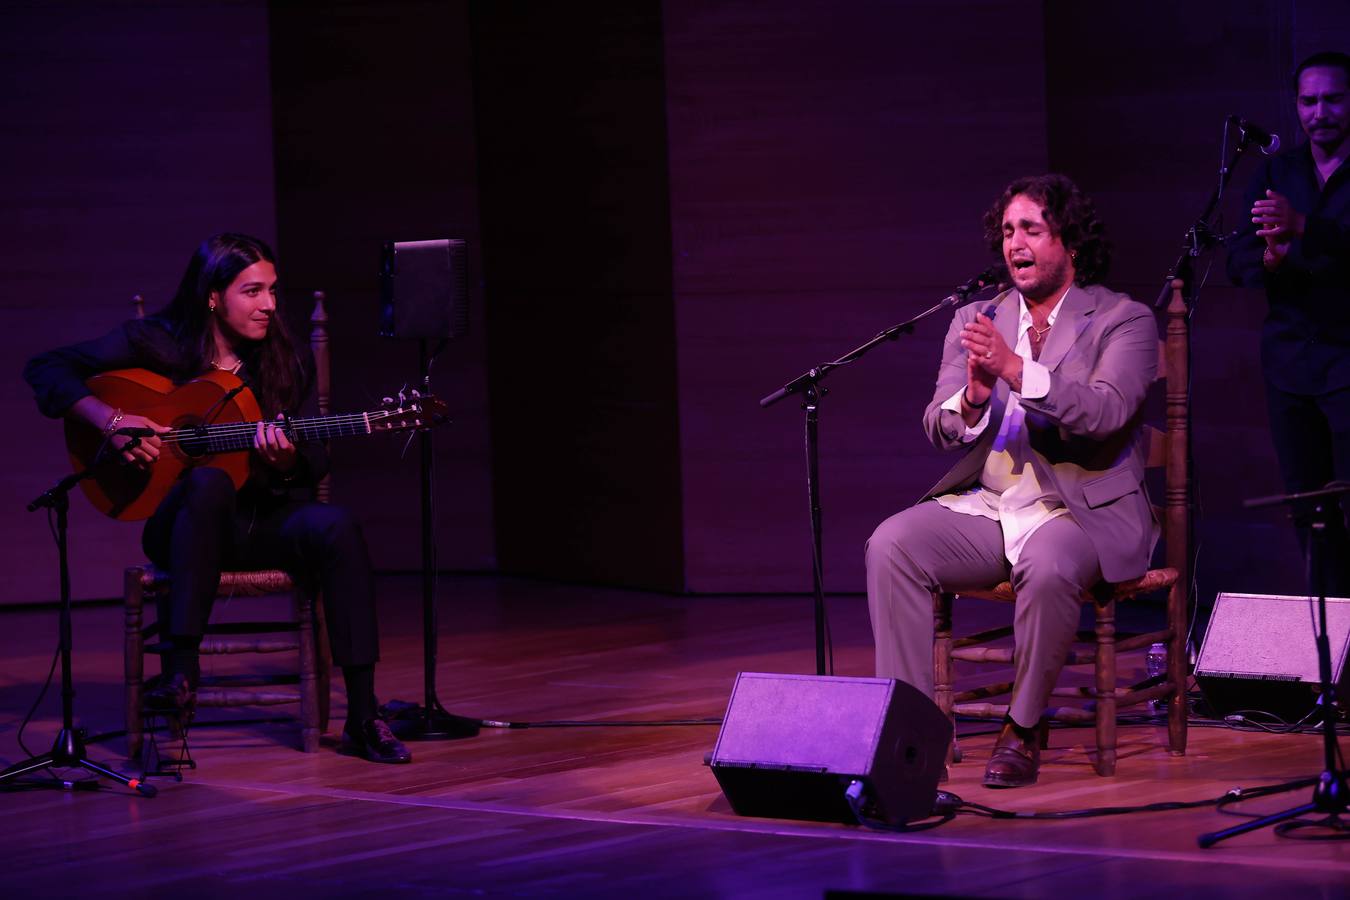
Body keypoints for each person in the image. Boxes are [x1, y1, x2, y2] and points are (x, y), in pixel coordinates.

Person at [23, 233, 411, 764]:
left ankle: (364, 716)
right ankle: (181, 672)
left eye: (273, 291)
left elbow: (314, 457)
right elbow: (46, 368)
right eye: (253, 291)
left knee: (337, 525)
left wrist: (287, 460)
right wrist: (111, 422)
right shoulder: (154, 342)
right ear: (212, 295)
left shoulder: (282, 362)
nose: (270, 306)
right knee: (206, 483)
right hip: (182, 530)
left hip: (257, 525)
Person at [866, 175, 1159, 788]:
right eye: (1007, 231)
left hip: (1080, 510)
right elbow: (939, 424)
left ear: (1070, 241)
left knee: (1050, 564)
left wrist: (1014, 369)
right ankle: (909, 736)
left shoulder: (1124, 320)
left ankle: (1022, 728)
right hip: (995, 505)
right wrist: (971, 399)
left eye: (1031, 228)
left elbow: (1105, 412)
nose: (1014, 243)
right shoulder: (979, 316)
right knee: (891, 544)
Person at [1227, 51, 1350, 595]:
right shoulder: (1277, 171)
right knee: (1307, 509)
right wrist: (1272, 260)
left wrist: (1303, 228)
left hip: (1348, 361)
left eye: (1333, 99)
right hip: (1290, 366)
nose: (1320, 111)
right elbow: (1240, 261)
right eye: (1309, 100)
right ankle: (1329, 651)